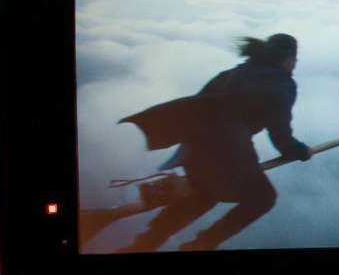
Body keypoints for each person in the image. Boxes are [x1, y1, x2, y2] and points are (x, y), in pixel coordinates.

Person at [117, 34, 311, 252]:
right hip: (228, 151)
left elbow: (198, 109)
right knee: (263, 197)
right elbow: (280, 134)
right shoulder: (281, 84)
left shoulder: (231, 74)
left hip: (194, 149)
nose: (295, 65)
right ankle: (202, 244)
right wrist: (298, 151)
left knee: (204, 194)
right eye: (294, 59)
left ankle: (143, 244)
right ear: (286, 59)